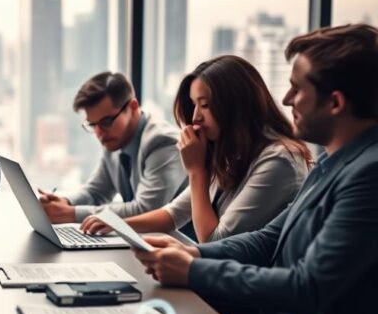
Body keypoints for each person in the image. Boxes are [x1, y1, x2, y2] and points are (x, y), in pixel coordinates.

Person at [133, 25, 378, 314]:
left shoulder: (368, 174)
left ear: (335, 102)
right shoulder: (331, 162)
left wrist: (192, 271)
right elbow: (268, 239)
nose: (286, 99)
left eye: (297, 89)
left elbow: (308, 286)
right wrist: (194, 255)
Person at [80, 55, 312, 243]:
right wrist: (116, 225)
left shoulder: (278, 162)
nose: (195, 118)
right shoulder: (232, 154)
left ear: (236, 106)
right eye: (194, 105)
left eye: (205, 105)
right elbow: (172, 214)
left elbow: (215, 241)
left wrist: (196, 171)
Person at [40, 72, 186, 223]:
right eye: (92, 125)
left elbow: (146, 210)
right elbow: (95, 192)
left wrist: (71, 214)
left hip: (175, 237)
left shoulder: (163, 142)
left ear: (133, 107)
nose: (99, 133)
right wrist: (64, 203)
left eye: (107, 122)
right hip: (143, 236)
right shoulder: (114, 139)